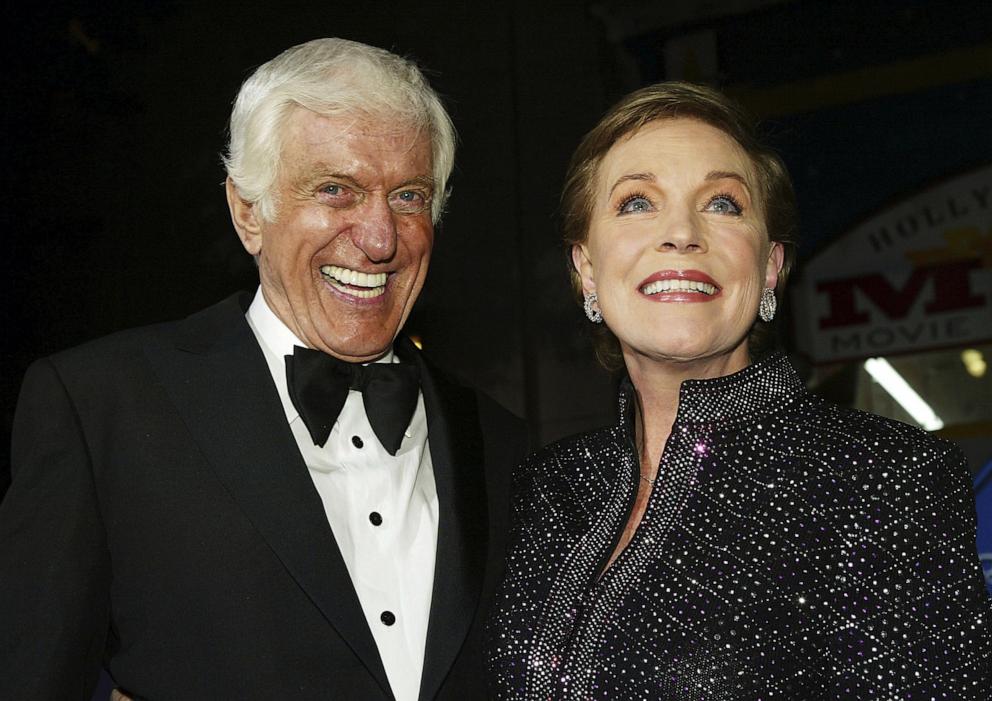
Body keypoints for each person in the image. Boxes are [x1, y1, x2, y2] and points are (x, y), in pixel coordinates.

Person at [0, 38, 526, 700]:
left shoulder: (505, 445)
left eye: (409, 195)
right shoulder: (103, 407)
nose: (380, 236)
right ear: (248, 211)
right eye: (336, 189)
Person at [485, 82, 992, 699]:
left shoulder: (887, 479)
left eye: (723, 204)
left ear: (771, 265)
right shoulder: (541, 489)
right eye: (637, 202)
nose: (680, 233)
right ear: (585, 266)